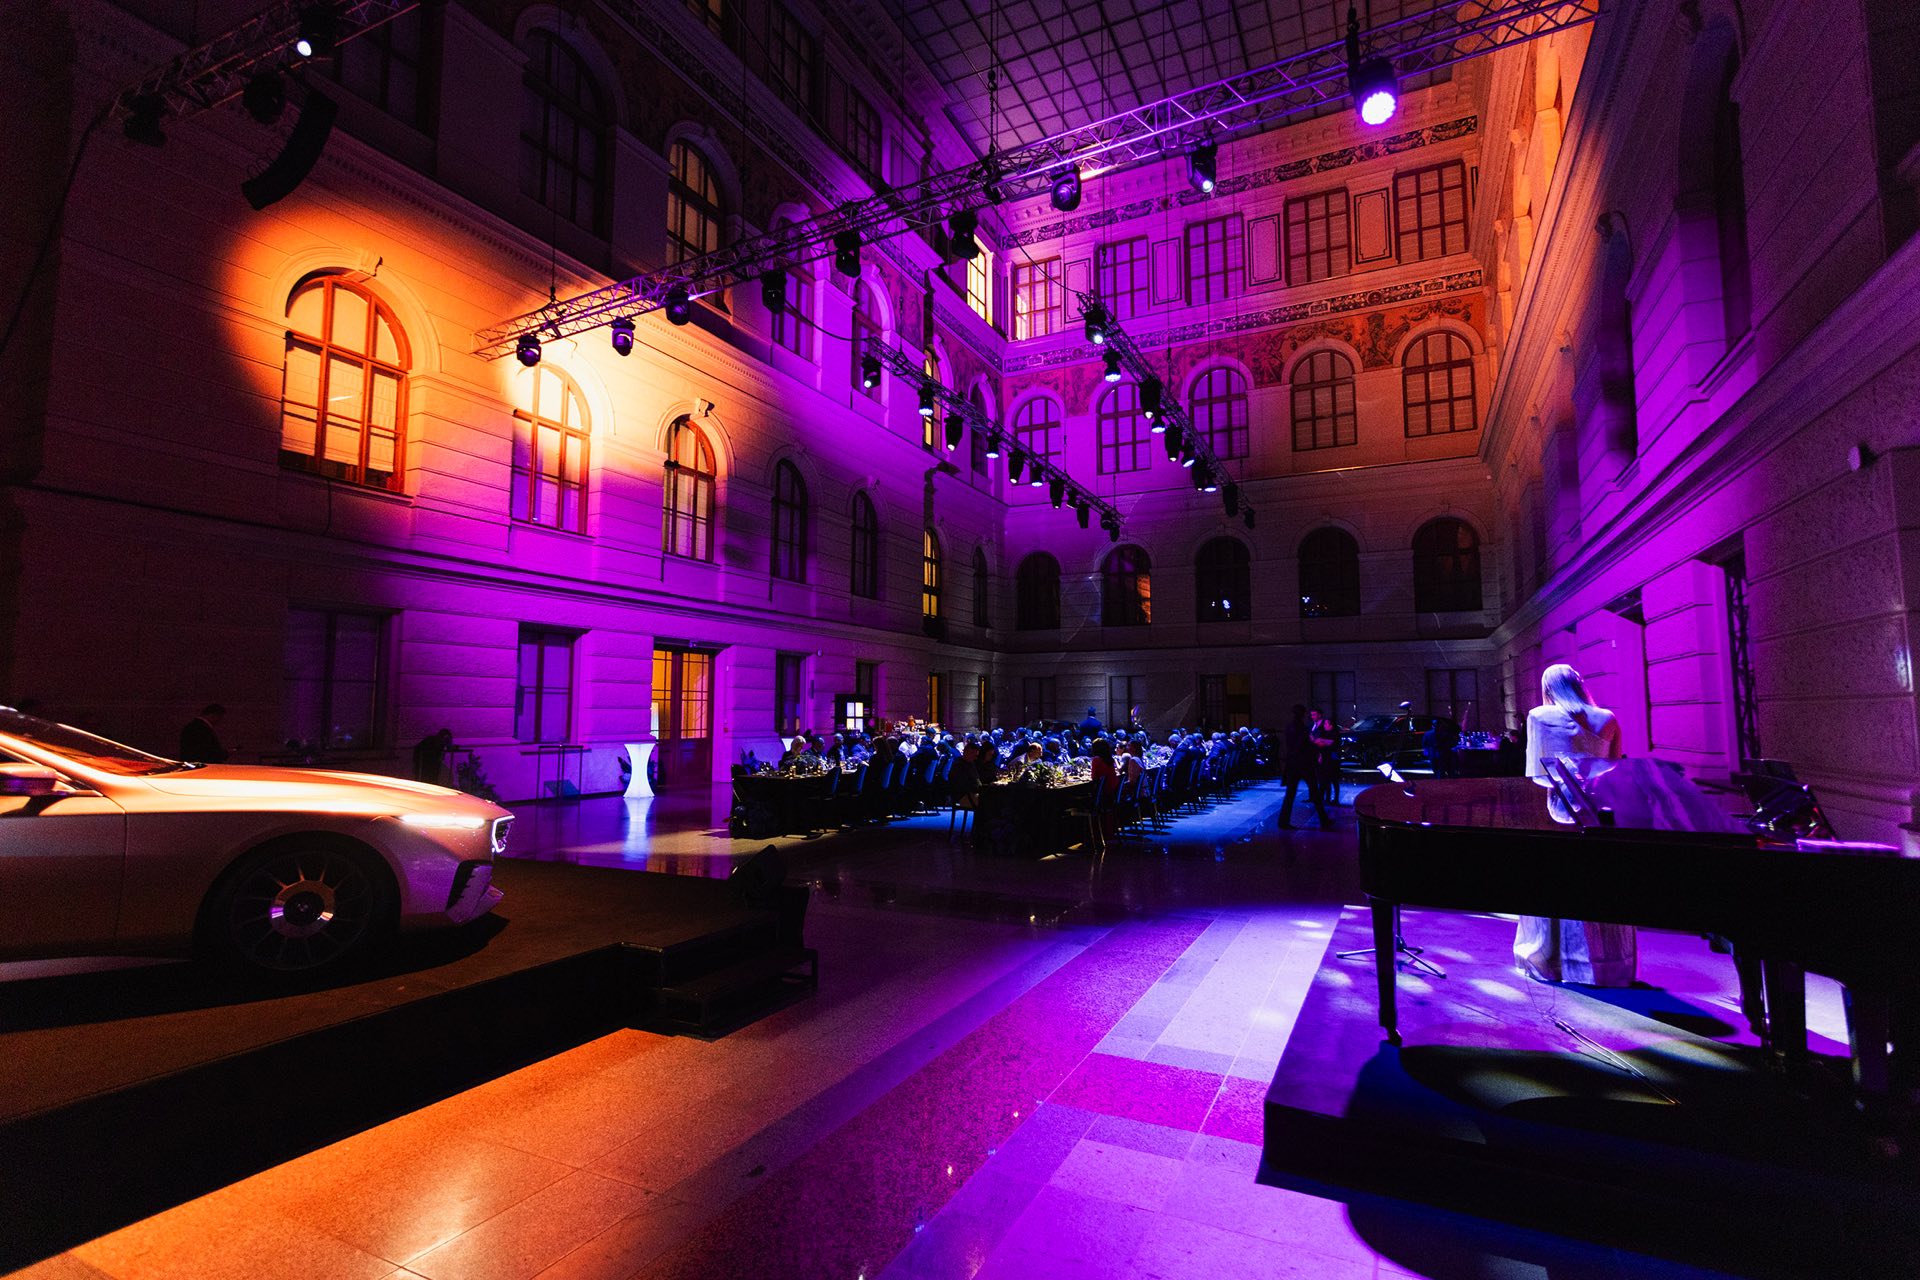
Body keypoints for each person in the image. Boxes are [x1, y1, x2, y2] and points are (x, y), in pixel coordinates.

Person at [1514, 664, 1631, 985]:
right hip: (1601, 810)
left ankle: (1554, 960)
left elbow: (1535, 774)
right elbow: (1616, 766)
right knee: (1599, 881)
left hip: (1558, 808)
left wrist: (1566, 781)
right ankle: (1606, 964)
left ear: (1548, 688)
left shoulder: (1538, 716)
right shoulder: (1607, 718)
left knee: (1558, 880)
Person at [1278, 704, 1328, 829]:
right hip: (1304, 764)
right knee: (1314, 791)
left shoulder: (1290, 727)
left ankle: (1283, 821)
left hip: (1293, 763)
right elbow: (1304, 746)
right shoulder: (1302, 728)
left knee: (1290, 794)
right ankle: (1324, 819)